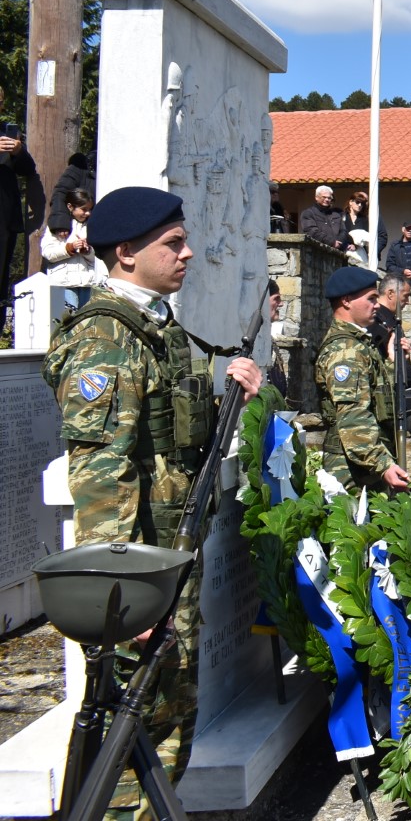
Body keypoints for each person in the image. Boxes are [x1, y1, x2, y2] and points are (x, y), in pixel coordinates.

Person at [41, 186, 262, 816]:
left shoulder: (154, 326)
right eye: (173, 243)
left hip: (167, 556)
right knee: (133, 722)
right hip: (139, 574)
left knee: (169, 710)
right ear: (127, 252)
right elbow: (101, 474)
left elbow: (169, 434)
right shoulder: (106, 338)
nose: (187, 254)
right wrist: (122, 595)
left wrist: (230, 391)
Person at [315, 266, 407, 493]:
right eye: (371, 298)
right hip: (352, 468)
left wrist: (392, 362)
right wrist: (383, 464)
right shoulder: (345, 351)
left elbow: (376, 391)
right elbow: (353, 415)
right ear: (346, 301)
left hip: (365, 461)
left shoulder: (358, 343)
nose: (377, 305)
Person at [0, 125, 44, 306]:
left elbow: (28, 169)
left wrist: (18, 152)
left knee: (2, 277)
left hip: (5, 220)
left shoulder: (5, 133)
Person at [39, 187, 101, 308]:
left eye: (90, 210)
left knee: (85, 317)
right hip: (62, 283)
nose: (88, 213)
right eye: (84, 209)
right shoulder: (57, 225)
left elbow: (98, 257)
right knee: (64, 316)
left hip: (87, 283)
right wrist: (69, 248)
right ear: (70, 206)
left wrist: (87, 251)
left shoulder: (90, 226)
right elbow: (48, 252)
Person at [298, 184, 347, 249]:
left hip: (338, 251)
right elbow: (312, 232)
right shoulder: (308, 213)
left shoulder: (336, 214)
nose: (327, 199)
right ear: (316, 197)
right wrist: (332, 242)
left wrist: (338, 242)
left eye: (329, 198)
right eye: (324, 197)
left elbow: (343, 231)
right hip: (318, 251)